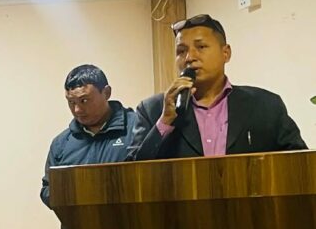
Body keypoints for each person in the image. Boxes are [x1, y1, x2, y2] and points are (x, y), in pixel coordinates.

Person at [129, 13, 306, 160]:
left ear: (226, 53)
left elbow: (300, 164)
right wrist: (165, 121)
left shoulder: (265, 105)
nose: (189, 57)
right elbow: (131, 174)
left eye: (201, 47)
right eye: (181, 51)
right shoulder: (152, 110)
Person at [41, 64, 137, 229]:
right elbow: (47, 190)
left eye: (84, 100)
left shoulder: (137, 128)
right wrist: (75, 196)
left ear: (106, 92)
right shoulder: (62, 143)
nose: (77, 110)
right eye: (71, 102)